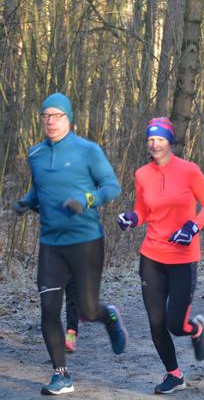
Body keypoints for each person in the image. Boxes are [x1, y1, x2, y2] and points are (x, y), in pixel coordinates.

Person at [13, 92, 126, 395]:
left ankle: (109, 316)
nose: (50, 121)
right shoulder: (35, 153)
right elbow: (38, 189)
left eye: (57, 115)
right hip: (51, 244)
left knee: (87, 309)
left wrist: (87, 200)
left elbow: (111, 187)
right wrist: (26, 202)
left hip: (86, 241)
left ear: (68, 118)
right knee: (49, 310)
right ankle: (61, 374)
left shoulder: (88, 150)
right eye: (46, 115)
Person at [116, 117, 204, 394]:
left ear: (170, 142)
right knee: (156, 321)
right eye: (150, 139)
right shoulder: (141, 174)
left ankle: (194, 330)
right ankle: (174, 374)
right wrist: (130, 218)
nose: (154, 143)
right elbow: (143, 211)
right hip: (151, 255)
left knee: (175, 324)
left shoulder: (190, 171)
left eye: (160, 139)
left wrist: (192, 227)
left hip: (183, 258)